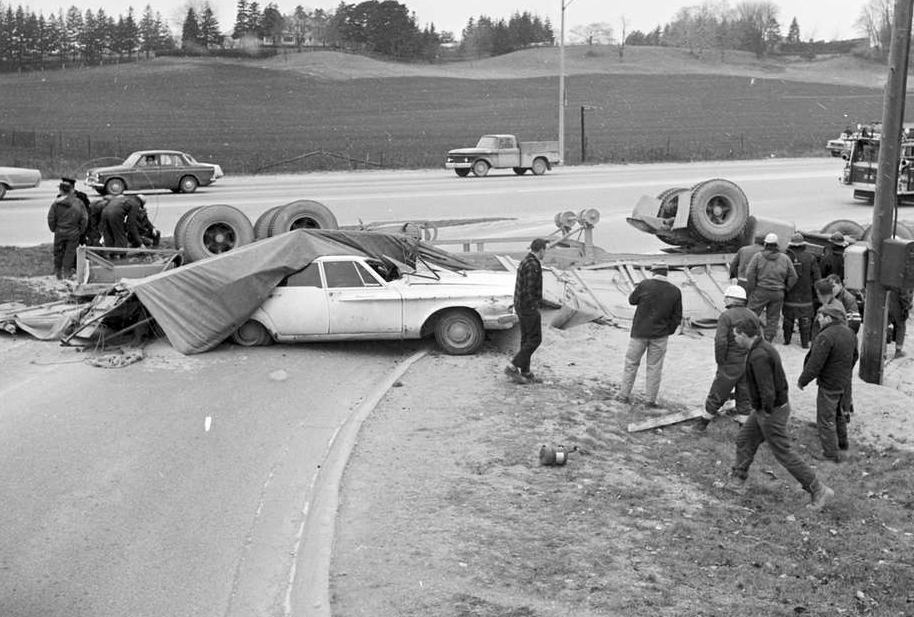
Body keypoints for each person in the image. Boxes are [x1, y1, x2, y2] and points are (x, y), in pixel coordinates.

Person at [727, 318, 834, 510]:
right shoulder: (761, 348)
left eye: (735, 335)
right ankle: (737, 480)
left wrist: (766, 412)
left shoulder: (759, 355)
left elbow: (767, 389)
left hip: (771, 411)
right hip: (765, 409)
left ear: (743, 335)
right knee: (744, 439)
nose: (734, 339)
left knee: (784, 453)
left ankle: (818, 489)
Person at [694, 285, 760, 431]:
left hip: (730, 362)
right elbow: (759, 339)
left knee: (718, 393)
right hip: (749, 361)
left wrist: (720, 361)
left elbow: (720, 341)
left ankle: (701, 425)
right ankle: (744, 432)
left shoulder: (726, 316)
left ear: (732, 299)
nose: (724, 300)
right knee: (745, 397)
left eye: (726, 297)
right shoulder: (753, 315)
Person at [797, 306, 859, 461]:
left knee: (825, 419)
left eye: (820, 316)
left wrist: (803, 380)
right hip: (842, 381)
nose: (818, 319)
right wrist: (845, 372)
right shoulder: (850, 333)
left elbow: (815, 364)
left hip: (829, 382)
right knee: (838, 412)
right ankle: (843, 443)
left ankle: (830, 453)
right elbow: (855, 356)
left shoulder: (825, 336)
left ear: (829, 318)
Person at [617, 263, 683, 407]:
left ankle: (623, 396)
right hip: (660, 335)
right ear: (666, 273)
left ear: (653, 272)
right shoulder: (675, 291)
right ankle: (650, 401)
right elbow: (677, 316)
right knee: (654, 368)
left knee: (631, 364)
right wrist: (668, 331)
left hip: (639, 332)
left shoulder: (645, 284)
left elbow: (632, 300)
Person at [505, 238, 547, 384]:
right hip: (528, 307)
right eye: (545, 250)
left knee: (526, 339)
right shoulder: (532, 265)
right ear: (541, 249)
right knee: (535, 339)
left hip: (520, 305)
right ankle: (513, 366)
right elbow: (529, 290)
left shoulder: (525, 261)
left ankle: (525, 372)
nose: (545, 253)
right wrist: (534, 306)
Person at [745, 233, 798, 342]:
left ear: (765, 244)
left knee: (751, 315)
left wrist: (752, 287)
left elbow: (749, 273)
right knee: (773, 318)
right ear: (777, 245)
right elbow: (794, 276)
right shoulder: (785, 258)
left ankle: (749, 338)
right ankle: (768, 340)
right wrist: (786, 288)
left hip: (760, 291)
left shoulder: (758, 257)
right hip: (778, 293)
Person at [782, 233, 821, 348]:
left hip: (789, 294)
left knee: (788, 319)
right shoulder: (811, 258)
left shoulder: (785, 257)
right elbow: (817, 278)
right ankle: (804, 344)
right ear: (803, 244)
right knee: (805, 320)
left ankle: (787, 341)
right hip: (806, 295)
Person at [46, 178, 88, 279]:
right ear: (71, 190)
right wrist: (81, 231)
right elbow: (84, 218)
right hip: (74, 232)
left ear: (61, 191)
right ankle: (67, 273)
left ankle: (58, 273)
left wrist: (54, 229)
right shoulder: (78, 202)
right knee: (70, 253)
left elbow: (51, 218)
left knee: (58, 252)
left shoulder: (56, 203)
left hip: (59, 231)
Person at [886, 288, 912, 358]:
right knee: (901, 326)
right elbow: (904, 295)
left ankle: (882, 350)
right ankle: (898, 352)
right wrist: (906, 307)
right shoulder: (908, 282)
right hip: (897, 305)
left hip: (889, 301)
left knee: (884, 325)